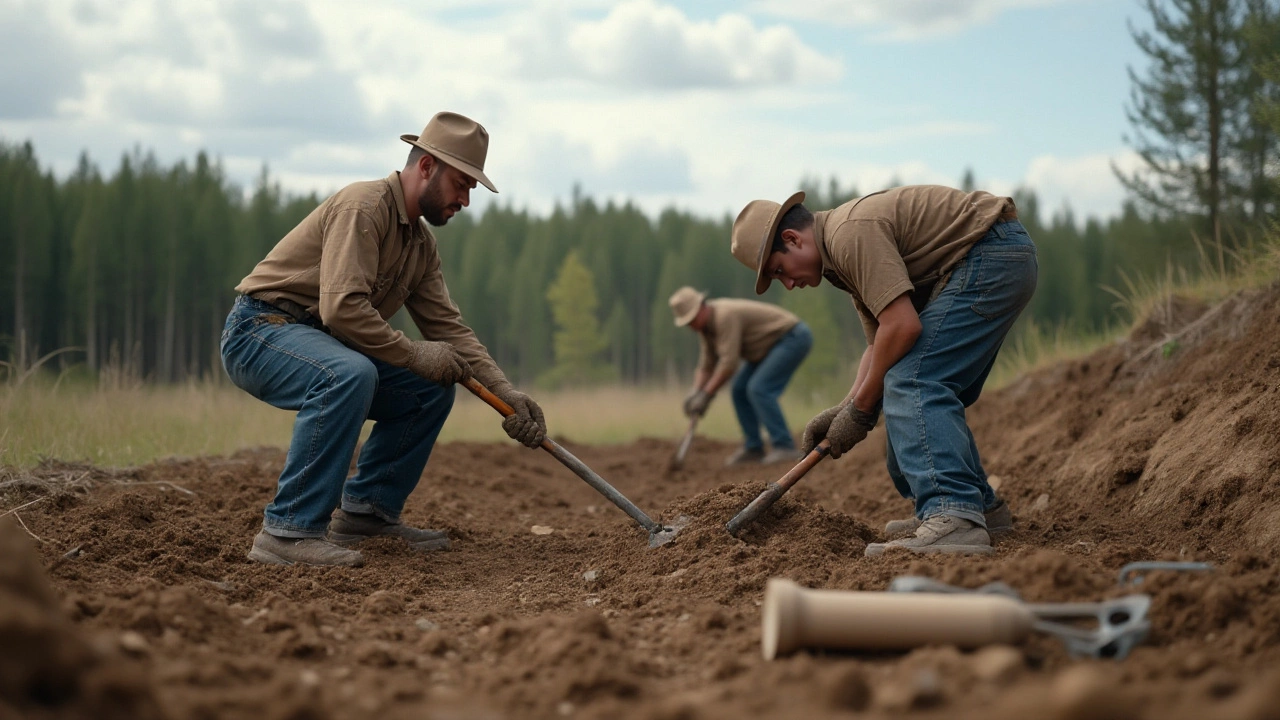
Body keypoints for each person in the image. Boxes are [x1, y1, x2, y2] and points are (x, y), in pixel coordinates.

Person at [221, 112, 547, 568]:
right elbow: (342, 308)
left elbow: (449, 331)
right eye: (461, 182)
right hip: (260, 331)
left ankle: (367, 514)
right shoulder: (364, 207)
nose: (466, 199)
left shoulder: (420, 245)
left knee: (429, 387)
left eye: (472, 188)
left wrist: (505, 393)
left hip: (318, 343)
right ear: (427, 166)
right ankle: (288, 532)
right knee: (349, 374)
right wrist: (413, 352)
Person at [729, 185, 1036, 556]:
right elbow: (880, 346)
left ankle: (954, 514)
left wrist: (860, 411)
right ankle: (980, 509)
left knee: (913, 381)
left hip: (990, 254)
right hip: (991, 256)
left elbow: (903, 328)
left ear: (792, 239)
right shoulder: (840, 257)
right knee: (905, 379)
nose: (789, 285)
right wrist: (846, 409)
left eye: (780, 271)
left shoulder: (850, 235)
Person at [668, 286, 812, 465]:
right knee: (738, 390)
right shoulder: (706, 329)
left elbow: (729, 364)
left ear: (701, 307)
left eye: (691, 320)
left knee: (759, 388)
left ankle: (784, 445)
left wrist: (706, 395)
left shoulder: (724, 316)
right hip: (765, 350)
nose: (691, 326)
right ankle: (754, 447)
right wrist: (695, 392)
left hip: (791, 338)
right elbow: (707, 365)